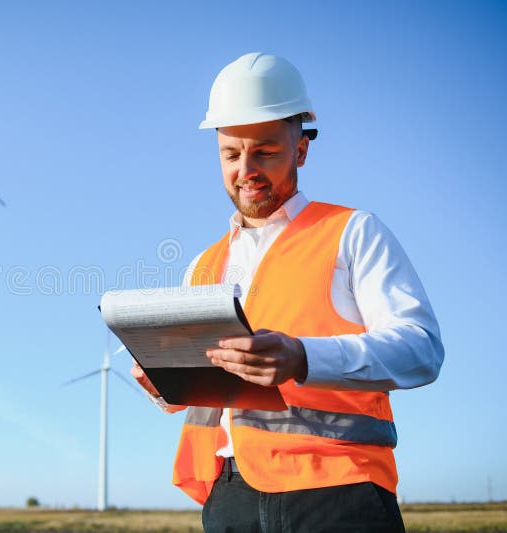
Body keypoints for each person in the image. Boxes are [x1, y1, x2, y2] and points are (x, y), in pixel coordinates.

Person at [130, 52, 444, 532]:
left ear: (300, 149)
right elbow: (206, 391)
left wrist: (302, 357)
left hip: (337, 489)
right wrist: (163, 384)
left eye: (265, 152)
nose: (246, 169)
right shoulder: (202, 266)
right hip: (228, 496)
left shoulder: (352, 232)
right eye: (231, 154)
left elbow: (420, 350)